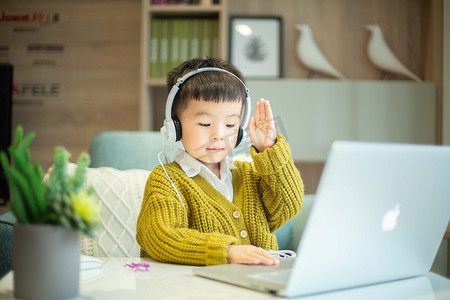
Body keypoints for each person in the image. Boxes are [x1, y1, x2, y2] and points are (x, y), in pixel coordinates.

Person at [136, 58, 304, 266]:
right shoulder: (167, 180)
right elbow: (161, 237)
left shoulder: (248, 175)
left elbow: (289, 204)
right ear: (175, 127)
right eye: (205, 123)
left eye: (231, 124)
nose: (219, 135)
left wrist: (268, 149)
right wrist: (227, 251)